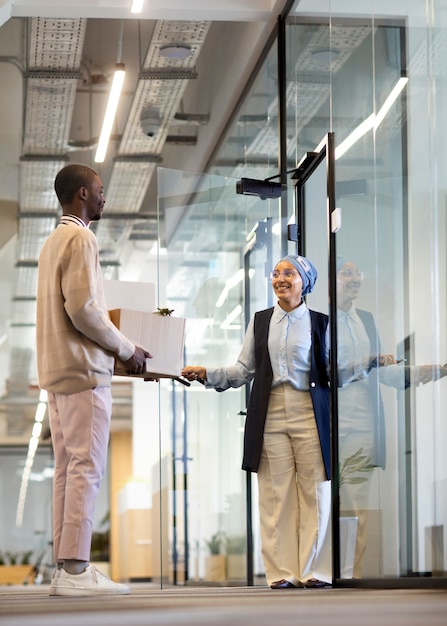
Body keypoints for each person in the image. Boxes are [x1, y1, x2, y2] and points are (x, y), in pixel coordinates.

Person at [182, 254, 332, 589]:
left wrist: (368, 365)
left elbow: (333, 370)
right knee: (274, 495)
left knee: (315, 493)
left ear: (304, 282)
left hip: (309, 410)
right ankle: (281, 573)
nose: (280, 278)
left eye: (289, 273)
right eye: (276, 273)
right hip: (270, 412)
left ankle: (315, 571)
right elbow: (243, 370)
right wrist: (209, 374)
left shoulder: (320, 323)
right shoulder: (261, 321)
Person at [36, 163, 151, 597]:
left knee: (68, 468)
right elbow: (84, 309)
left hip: (56, 371)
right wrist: (127, 349)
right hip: (83, 371)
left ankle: (66, 569)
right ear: (83, 193)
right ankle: (79, 570)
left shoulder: (52, 241)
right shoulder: (81, 237)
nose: (105, 197)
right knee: (86, 468)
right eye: (100, 190)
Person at [336, 257, 447, 577]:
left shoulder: (367, 321)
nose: (355, 278)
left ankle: (349, 574)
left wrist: (428, 372)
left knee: (357, 504)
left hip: (363, 426)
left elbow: (385, 373)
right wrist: (368, 363)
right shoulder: (320, 321)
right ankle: (320, 570)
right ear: (333, 280)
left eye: (358, 273)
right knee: (325, 501)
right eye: (347, 273)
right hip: (328, 423)